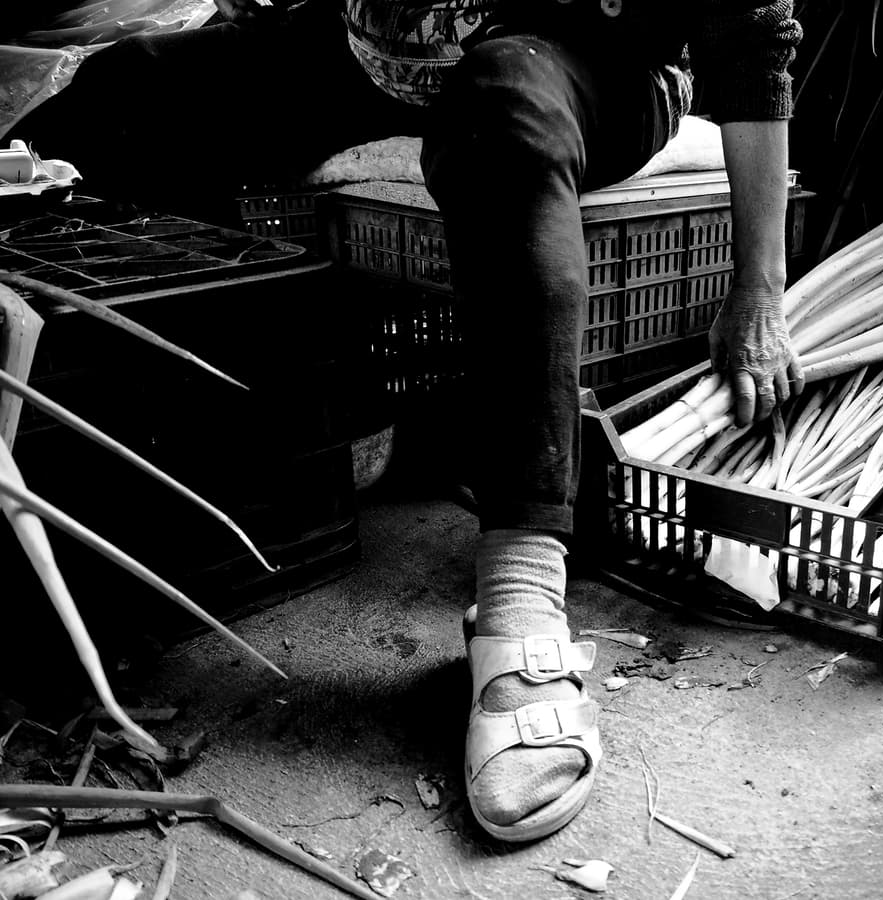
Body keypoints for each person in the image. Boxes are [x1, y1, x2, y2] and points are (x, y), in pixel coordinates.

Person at [7, 0, 803, 842]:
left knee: (502, 102)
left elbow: (751, 37)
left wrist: (758, 287)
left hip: (579, 62)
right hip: (375, 53)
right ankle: (211, 451)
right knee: (128, 85)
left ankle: (521, 594)